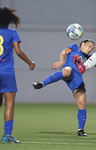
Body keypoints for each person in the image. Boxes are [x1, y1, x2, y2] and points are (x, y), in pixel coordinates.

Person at [33, 39, 95, 136]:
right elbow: (64, 52)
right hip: (68, 70)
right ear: (83, 44)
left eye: (92, 48)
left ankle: (81, 130)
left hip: (77, 79)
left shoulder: (88, 58)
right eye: (89, 46)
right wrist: (62, 61)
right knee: (66, 71)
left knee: (82, 103)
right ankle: (42, 83)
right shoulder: (74, 47)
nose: (90, 49)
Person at [0, 7, 36, 143]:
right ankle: (7, 135)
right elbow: (18, 51)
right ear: (9, 19)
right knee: (9, 104)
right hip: (7, 72)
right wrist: (30, 62)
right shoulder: (12, 33)